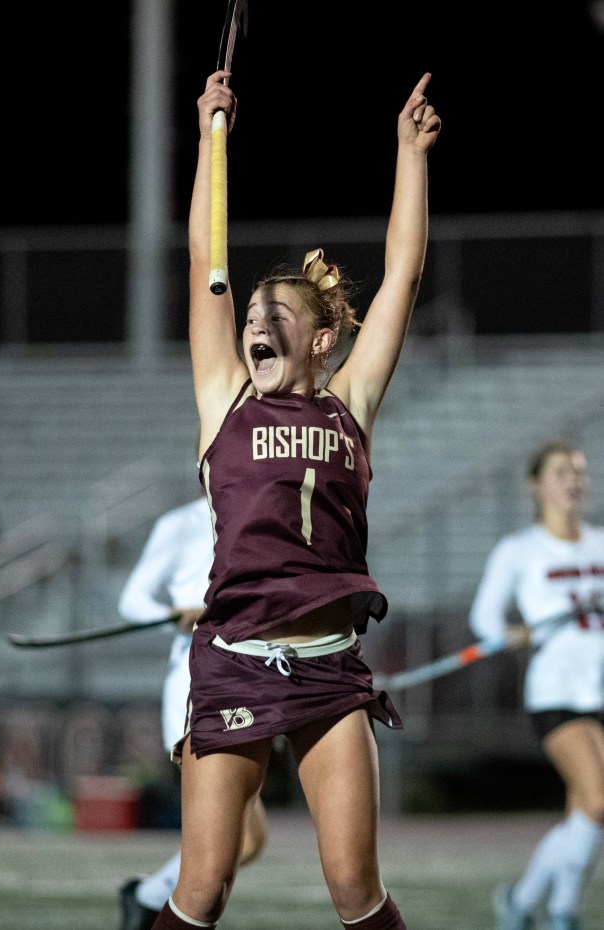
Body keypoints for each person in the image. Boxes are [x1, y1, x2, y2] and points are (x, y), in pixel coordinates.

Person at [149, 67, 441, 930]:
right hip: (234, 659)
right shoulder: (223, 400)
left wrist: (409, 155)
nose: (253, 322)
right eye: (250, 314)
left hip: (328, 667)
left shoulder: (350, 403)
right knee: (204, 887)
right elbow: (207, 259)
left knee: (357, 890)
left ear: (319, 338)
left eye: (275, 314)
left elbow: (404, 274)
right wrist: (213, 137)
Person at [469, 439, 604, 930]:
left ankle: (523, 903)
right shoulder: (519, 550)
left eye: (580, 471)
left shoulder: (600, 543)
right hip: (556, 693)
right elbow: (484, 617)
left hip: (599, 690)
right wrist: (508, 633)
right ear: (536, 485)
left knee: (583, 816)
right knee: (598, 800)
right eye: (562, 471)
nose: (574, 479)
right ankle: (563, 911)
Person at [115, 495, 268, 930]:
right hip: (195, 684)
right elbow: (132, 601)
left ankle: (146, 897)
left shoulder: (267, 516)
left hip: (252, 682)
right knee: (234, 839)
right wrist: (172, 615)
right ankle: (151, 902)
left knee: (248, 841)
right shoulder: (181, 523)